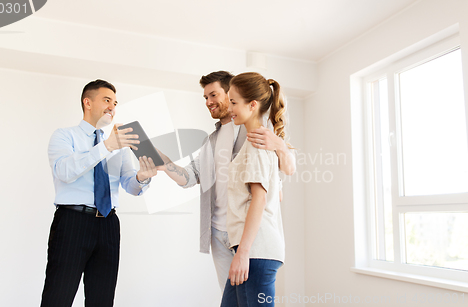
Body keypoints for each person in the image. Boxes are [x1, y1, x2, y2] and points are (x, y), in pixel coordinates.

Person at [157, 71, 295, 292]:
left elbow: (287, 169)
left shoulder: (254, 128)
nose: (209, 102)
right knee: (230, 297)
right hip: (218, 232)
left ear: (230, 92)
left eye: (213, 95)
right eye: (205, 98)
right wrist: (165, 164)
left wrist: (279, 145)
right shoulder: (210, 141)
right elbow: (190, 177)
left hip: (246, 232)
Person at [41, 79, 158, 307]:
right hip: (72, 223)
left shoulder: (118, 144)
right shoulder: (65, 136)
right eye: (106, 100)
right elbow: (65, 171)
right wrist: (106, 147)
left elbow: (129, 185)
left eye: (115, 102)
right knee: (58, 296)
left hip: (108, 225)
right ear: (87, 102)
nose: (112, 107)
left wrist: (143, 177)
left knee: (102, 300)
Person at [220, 72, 289, 307]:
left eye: (233, 102)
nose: (229, 108)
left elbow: (259, 200)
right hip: (251, 250)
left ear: (252, 105)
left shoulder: (257, 145)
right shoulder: (258, 142)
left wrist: (243, 253)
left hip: (256, 252)